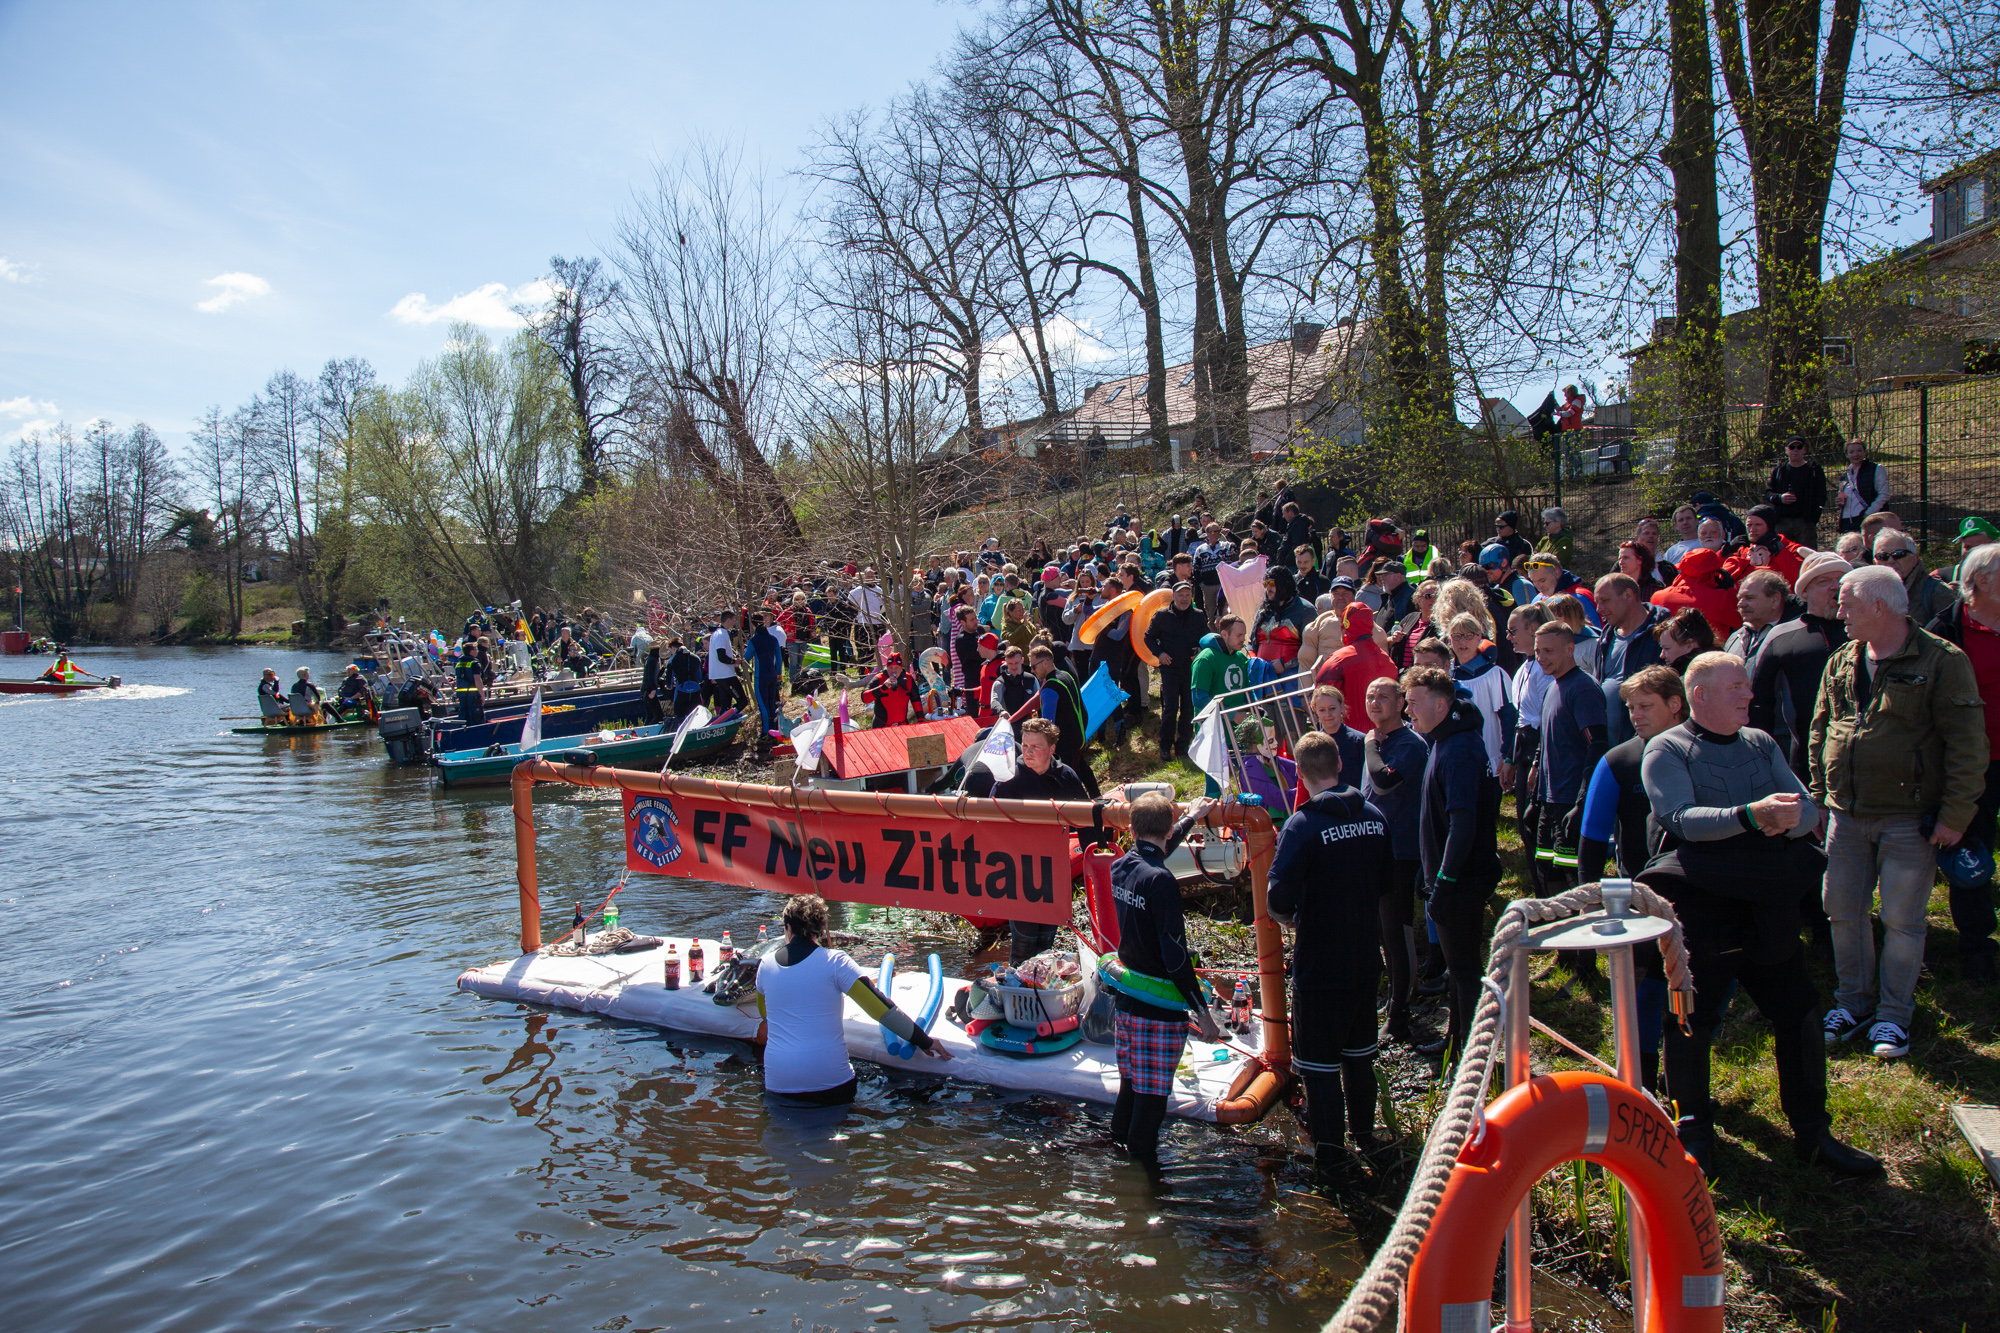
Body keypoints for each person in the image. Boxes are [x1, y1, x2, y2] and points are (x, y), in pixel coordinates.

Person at [1639, 651, 1882, 1179]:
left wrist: (1783, 820)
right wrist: (1752, 816)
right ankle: (1693, 1132)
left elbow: (1807, 812)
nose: (1750, 695)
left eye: (1748, 686)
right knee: (1689, 1021)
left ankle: (1813, 1132)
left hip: (1767, 904)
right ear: (1700, 695)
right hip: (1703, 911)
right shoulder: (1668, 748)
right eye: (1737, 687)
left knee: (1798, 1010)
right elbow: (1680, 818)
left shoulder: (1761, 743)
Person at [1812, 565, 1986, 1059]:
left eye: (1845, 603)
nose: (1837, 611)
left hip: (1909, 818)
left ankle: (1893, 1016)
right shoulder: (1843, 659)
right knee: (1842, 911)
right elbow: (1821, 727)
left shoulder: (1942, 660)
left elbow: (1967, 744)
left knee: (1902, 921)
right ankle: (1854, 1003)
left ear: (1879, 607)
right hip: (1845, 815)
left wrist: (1955, 814)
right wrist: (1822, 792)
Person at [1267, 732, 1390, 1179]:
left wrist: (1294, 919)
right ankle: (1365, 1134)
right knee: (1359, 1056)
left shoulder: (1303, 825)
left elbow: (1278, 897)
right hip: (1364, 958)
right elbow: (1387, 882)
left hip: (1320, 964)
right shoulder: (1374, 816)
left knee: (1318, 1066)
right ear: (1340, 765)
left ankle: (1331, 1155)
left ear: (1300, 773)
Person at [1574, 664, 1688, 1091]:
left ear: (1675, 705)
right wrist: (1589, 900)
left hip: (1699, 891)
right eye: (1630, 707)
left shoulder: (1701, 751)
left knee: (1691, 987)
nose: (1635, 715)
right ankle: (1638, 1080)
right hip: (1643, 897)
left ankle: (1682, 1075)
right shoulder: (1620, 761)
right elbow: (1591, 839)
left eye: (1645, 706)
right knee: (1647, 989)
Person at [1108, 792, 1221, 1167]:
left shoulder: (1121, 867)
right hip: (1157, 1011)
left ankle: (1115, 1154)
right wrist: (1202, 1013)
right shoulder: (1162, 882)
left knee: (1130, 1087)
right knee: (1153, 1100)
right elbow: (1175, 959)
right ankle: (1141, 1183)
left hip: (1126, 1003)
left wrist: (1190, 817)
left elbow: (1156, 849)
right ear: (1168, 827)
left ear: (1130, 828)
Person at [755, 893, 949, 1106]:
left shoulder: (765, 965)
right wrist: (925, 1041)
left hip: (779, 1084)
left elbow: (765, 1013)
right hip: (831, 1084)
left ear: (788, 928)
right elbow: (881, 1009)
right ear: (820, 931)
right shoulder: (835, 962)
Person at [1406, 665, 1502, 1060]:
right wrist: (1425, 871)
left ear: (1441, 705)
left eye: (1413, 703)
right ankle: (1457, 1042)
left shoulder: (1459, 749)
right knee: (1460, 972)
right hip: (1448, 874)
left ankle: (1472, 1055)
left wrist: (1443, 880)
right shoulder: (1444, 740)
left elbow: (1463, 823)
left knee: (1464, 971)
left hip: (1462, 878)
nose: (1408, 711)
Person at [1927, 539, 2000, 981]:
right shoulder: (1945, 631)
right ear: (1983, 580)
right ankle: (1976, 944)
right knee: (1970, 848)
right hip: (1974, 763)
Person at [1362, 675, 1427, 1044]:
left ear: (1400, 702)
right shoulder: (1379, 741)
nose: (1375, 702)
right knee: (1378, 931)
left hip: (1401, 852)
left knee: (1396, 932)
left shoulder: (1408, 744)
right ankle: (1391, 999)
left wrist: (1370, 745)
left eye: (1383, 696)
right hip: (1373, 849)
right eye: (1371, 695)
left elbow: (1384, 781)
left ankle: (1401, 1014)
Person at [1533, 621, 1608, 939]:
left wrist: (1582, 803)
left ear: (1570, 649)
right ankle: (1560, 948)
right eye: (1537, 651)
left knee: (1572, 882)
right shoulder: (1552, 686)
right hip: (1550, 800)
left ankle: (1584, 960)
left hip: (1571, 801)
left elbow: (1598, 747)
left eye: (1548, 651)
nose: (1541, 658)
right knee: (1547, 873)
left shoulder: (1584, 689)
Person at [994, 718, 1092, 960]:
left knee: (1047, 945)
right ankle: (1018, 992)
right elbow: (990, 824)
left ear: (1051, 749)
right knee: (1024, 945)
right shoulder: (1009, 778)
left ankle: (1042, 991)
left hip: (1054, 869)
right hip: (1019, 872)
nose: (1027, 752)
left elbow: (1085, 819)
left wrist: (1093, 858)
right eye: (1025, 745)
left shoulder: (1066, 775)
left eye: (1035, 747)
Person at [1752, 553, 1850, 776]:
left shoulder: (1864, 631)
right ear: (1804, 591)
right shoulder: (1781, 636)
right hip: (1804, 762)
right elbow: (1759, 704)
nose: (1836, 587)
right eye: (1824, 581)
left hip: (1862, 760)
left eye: (1842, 580)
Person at [1592, 572, 1666, 744]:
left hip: (1644, 745)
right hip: (1606, 746)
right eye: (1597, 602)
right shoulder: (1606, 636)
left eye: (1605, 600)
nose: (1598, 609)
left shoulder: (1660, 634)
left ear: (1628, 595)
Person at [1025, 647, 1099, 798]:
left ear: (1045, 662)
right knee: (1080, 766)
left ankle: (1079, 806)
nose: (1032, 670)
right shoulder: (1066, 675)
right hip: (1079, 735)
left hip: (1063, 743)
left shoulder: (1049, 689)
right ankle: (1097, 796)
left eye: (1034, 666)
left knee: (1064, 778)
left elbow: (1046, 725)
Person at [1145, 581, 1206, 760]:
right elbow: (1148, 637)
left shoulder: (1198, 616)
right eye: (1181, 595)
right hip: (1169, 668)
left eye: (1188, 595)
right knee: (1170, 707)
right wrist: (1160, 653)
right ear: (1174, 596)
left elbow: (1207, 638)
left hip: (1190, 668)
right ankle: (1165, 744)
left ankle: (1183, 744)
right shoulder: (1162, 616)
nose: (1184, 599)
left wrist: (1200, 652)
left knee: (1188, 708)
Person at [1315, 603, 1397, 725]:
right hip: (1384, 736)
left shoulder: (1338, 660)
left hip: (1351, 737)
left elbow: (1320, 699)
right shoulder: (1388, 661)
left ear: (1345, 627)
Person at [1875, 526, 1960, 626]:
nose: (1890, 561)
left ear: (1914, 559)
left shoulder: (1938, 593)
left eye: (1898, 554)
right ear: (1874, 562)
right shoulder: (1866, 594)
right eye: (1882, 556)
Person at [1651, 545, 1743, 635]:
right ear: (1714, 573)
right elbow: (1742, 620)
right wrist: (1731, 590)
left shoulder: (1659, 597)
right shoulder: (1720, 598)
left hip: (1668, 649)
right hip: (1711, 649)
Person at [1722, 569, 1789, 686]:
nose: (1740, 604)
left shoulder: (1792, 639)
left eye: (1749, 597)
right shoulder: (1735, 638)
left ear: (1775, 600)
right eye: (1740, 598)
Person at [1766, 436, 1828, 545]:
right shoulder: (1779, 470)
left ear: (1804, 450)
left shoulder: (1814, 469)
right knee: (1780, 555)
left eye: (1799, 447)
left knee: (1807, 556)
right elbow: (1768, 494)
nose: (1795, 450)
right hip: (1782, 521)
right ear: (1786, 450)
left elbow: (1821, 495)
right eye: (1792, 447)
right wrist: (1780, 498)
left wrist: (1813, 518)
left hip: (1805, 521)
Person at [1191, 615, 1251, 717]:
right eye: (1238, 636)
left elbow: (1247, 692)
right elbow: (1199, 699)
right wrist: (1232, 715)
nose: (1243, 639)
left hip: (1238, 728)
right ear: (1224, 634)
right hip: (1213, 729)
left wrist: (1256, 708)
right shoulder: (1206, 659)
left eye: (1244, 635)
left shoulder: (1241, 658)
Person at [1835, 437, 1890, 533]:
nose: (1855, 454)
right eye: (1851, 452)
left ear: (1865, 452)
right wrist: (1840, 502)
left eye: (1859, 451)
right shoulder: (1844, 476)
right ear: (1847, 455)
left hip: (1867, 519)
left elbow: (1884, 495)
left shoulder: (1876, 469)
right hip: (1847, 521)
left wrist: (1868, 513)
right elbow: (1842, 498)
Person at [861, 652, 924, 728]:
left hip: (902, 725)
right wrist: (882, 687)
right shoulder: (879, 678)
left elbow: (916, 700)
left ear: (901, 668)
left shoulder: (908, 678)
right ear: (886, 668)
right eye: (890, 668)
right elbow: (864, 698)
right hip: (882, 727)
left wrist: (921, 721)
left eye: (896, 668)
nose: (893, 671)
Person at [706, 612, 749, 713]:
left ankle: (724, 722)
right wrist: (735, 661)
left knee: (725, 705)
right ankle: (728, 718)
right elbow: (721, 656)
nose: (734, 622)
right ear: (728, 620)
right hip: (725, 674)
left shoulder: (717, 633)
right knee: (742, 701)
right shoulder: (721, 634)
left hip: (719, 675)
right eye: (734, 620)